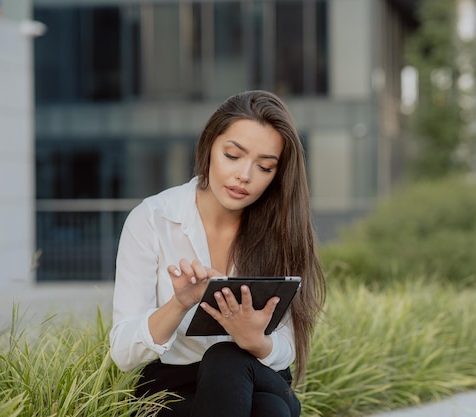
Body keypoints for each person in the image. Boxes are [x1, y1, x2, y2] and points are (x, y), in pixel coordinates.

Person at [109, 90, 326, 417]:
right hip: (174, 384)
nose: (245, 176)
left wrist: (255, 341)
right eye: (233, 155)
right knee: (270, 410)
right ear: (209, 145)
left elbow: (286, 348)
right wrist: (179, 303)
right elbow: (123, 352)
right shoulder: (153, 219)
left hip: (256, 373)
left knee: (228, 358)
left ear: (277, 175)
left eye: (264, 167)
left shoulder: (282, 228)